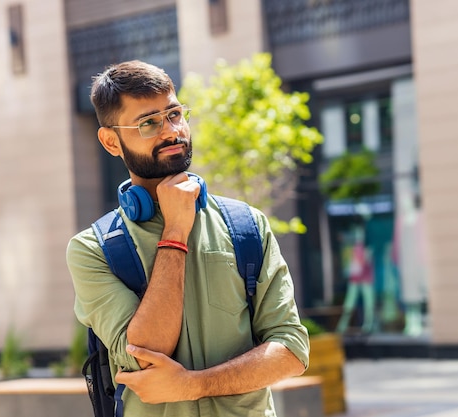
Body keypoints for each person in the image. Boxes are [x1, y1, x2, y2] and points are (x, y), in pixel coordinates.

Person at [66, 60, 309, 417]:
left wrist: (194, 383)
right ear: (111, 141)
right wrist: (175, 232)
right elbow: (145, 351)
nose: (171, 131)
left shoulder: (246, 225)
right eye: (148, 123)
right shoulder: (93, 250)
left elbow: (291, 351)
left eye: (175, 114)